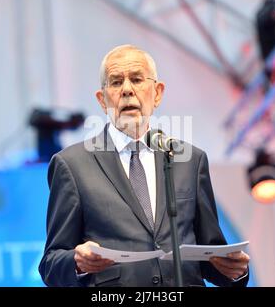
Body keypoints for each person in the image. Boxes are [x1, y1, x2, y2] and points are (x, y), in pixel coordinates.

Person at [39, 45, 250, 287]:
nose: (127, 90)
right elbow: (51, 263)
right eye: (116, 82)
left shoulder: (189, 160)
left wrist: (235, 270)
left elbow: (210, 254)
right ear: (102, 100)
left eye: (137, 79)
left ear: (157, 93)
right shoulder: (72, 165)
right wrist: (77, 262)